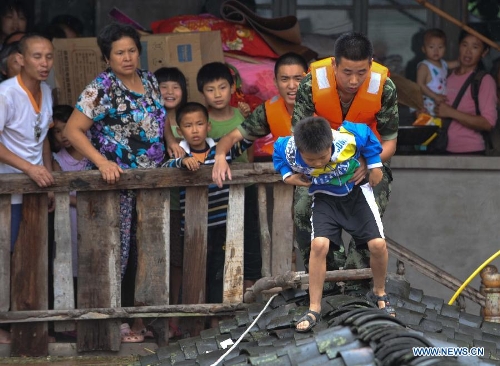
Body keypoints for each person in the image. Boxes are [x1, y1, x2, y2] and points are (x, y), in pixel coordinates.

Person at [64, 23, 183, 343]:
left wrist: (171, 141)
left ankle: (141, 322)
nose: (127, 57)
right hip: (112, 186)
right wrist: (102, 162)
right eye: (119, 53)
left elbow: (161, 119)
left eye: (132, 50)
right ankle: (108, 321)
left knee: (149, 253)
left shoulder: (149, 80)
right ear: (107, 57)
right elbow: (73, 131)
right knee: (113, 255)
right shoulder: (100, 88)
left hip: (150, 183)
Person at [290, 32, 399, 288]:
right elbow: (300, 139)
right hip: (320, 165)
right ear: (334, 64)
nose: (353, 80)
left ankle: (356, 288)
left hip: (366, 163)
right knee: (303, 210)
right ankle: (325, 283)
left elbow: (390, 143)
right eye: (347, 72)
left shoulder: (385, 87)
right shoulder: (310, 86)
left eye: (361, 72)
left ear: (371, 64)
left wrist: (368, 162)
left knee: (371, 216)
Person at [273, 117, 395, 332]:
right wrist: (287, 177)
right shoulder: (289, 148)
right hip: (324, 199)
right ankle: (314, 307)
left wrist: (375, 166)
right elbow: (277, 152)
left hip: (356, 195)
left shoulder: (346, 139)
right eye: (311, 160)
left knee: (377, 245)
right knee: (319, 245)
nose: (319, 163)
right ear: (300, 150)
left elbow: (367, 135)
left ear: (331, 144)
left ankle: (379, 292)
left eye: (322, 157)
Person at [166, 102, 252, 309]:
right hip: (195, 228)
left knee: (221, 269)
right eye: (188, 125)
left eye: (199, 124)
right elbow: (166, 165)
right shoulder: (179, 154)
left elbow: (248, 137)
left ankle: (219, 314)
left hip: (223, 223)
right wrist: (183, 162)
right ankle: (195, 317)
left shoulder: (221, 149)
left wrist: (246, 116)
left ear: (208, 126)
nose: (195, 130)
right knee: (196, 269)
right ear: (179, 130)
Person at [0, 33, 55, 344]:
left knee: (28, 259)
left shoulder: (46, 91)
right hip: (8, 192)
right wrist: (30, 169)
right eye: (37, 56)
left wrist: (44, 173)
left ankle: (25, 325)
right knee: (3, 258)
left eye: (48, 56)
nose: (44, 63)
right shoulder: (6, 94)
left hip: (34, 190)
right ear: (20, 59)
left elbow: (42, 138)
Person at [197, 61, 261, 291]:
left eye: (222, 87)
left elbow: (250, 152)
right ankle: (218, 291)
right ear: (202, 93)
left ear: (232, 87)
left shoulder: (243, 116)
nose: (217, 94)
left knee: (248, 238)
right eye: (210, 89)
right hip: (215, 193)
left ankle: (248, 290)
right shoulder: (202, 122)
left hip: (245, 187)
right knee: (219, 243)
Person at [211, 51, 307, 179]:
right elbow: (231, 137)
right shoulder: (268, 110)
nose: (291, 86)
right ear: (275, 82)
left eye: (298, 79)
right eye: (284, 79)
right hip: (290, 184)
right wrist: (220, 157)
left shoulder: (323, 104)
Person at [435, 26, 497, 154]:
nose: (468, 52)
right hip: (443, 149)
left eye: (475, 47)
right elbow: (440, 113)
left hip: (471, 152)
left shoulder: (484, 80)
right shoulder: (446, 76)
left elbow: (488, 123)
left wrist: (450, 112)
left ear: (484, 52)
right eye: (465, 45)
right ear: (459, 46)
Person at [50, 105, 88, 282]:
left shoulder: (94, 152)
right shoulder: (58, 159)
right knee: (73, 258)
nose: (63, 134)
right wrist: (80, 203)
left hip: (95, 215)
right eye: (57, 131)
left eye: (66, 127)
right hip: (71, 218)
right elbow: (60, 195)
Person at [416, 28, 459, 117]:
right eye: (431, 47)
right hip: (427, 105)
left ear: (445, 49)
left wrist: (466, 59)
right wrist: (435, 96)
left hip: (439, 104)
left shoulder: (443, 64)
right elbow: (420, 85)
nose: (436, 51)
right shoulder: (424, 66)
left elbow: (458, 63)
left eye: (440, 47)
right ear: (424, 49)